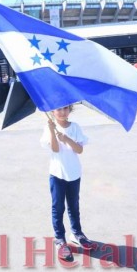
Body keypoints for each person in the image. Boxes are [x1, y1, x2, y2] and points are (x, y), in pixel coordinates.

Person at [40, 104, 92, 262]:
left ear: (70, 110)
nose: (62, 112)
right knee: (58, 207)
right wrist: (52, 131)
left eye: (66, 108)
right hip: (57, 174)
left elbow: (79, 150)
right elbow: (55, 149)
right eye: (58, 109)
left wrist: (67, 138)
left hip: (74, 173)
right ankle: (60, 239)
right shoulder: (48, 128)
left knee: (74, 205)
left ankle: (76, 233)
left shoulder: (75, 127)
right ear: (53, 112)